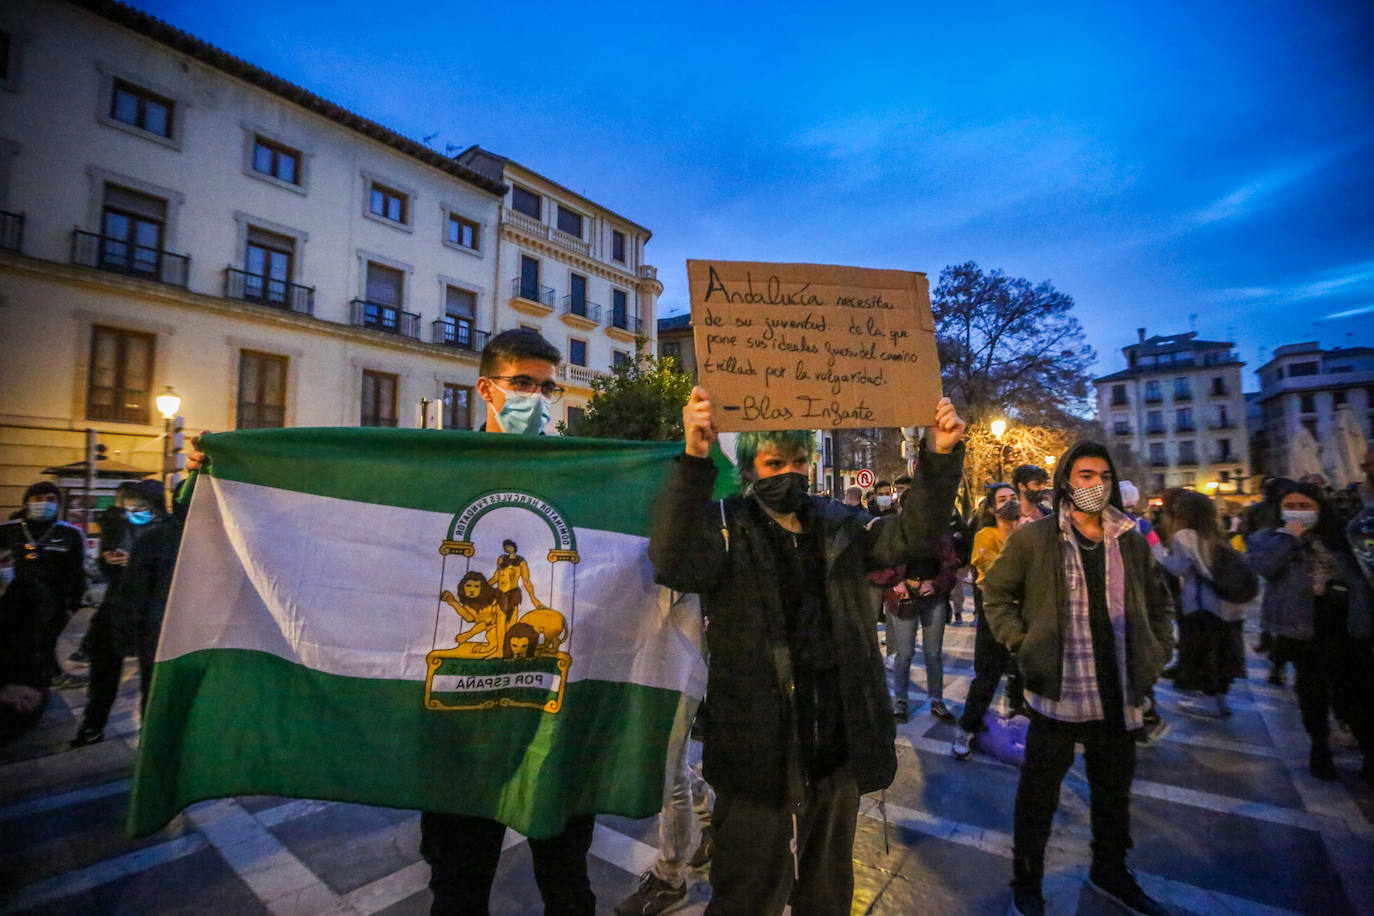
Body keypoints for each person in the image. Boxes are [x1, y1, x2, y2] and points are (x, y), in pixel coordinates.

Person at [187, 329, 596, 915]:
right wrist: (224, 470)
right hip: (459, 735)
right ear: (487, 389)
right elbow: (340, 520)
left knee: (568, 888)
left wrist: (687, 464)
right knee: (457, 891)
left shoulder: (578, 473)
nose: (537, 397)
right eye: (522, 384)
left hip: (550, 727)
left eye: (547, 387)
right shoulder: (437, 468)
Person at [650, 386, 965, 914]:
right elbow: (672, 561)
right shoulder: (726, 526)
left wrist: (939, 456)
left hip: (835, 746)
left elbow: (910, 536)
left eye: (798, 460)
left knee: (826, 891)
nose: (788, 473)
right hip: (756, 751)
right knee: (748, 892)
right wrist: (694, 460)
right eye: (774, 462)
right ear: (750, 469)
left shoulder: (839, 523)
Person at [983, 442, 1174, 916]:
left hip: (1119, 691)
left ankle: (1110, 871)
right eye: (1085, 475)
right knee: (1038, 797)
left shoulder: (1128, 536)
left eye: (1104, 477)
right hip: (1059, 691)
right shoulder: (1035, 538)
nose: (1095, 485)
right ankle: (1027, 879)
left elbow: (1159, 599)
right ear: (1067, 479)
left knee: (1113, 796)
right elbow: (997, 594)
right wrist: (1021, 644)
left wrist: (1159, 649)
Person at [1247, 482, 1373, 782]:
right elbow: (1264, 566)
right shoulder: (1266, 538)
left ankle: (1368, 749)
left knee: (1354, 690)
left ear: (1320, 508)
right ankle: (1320, 749)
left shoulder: (1340, 537)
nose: (1298, 512)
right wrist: (1290, 536)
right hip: (1302, 627)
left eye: (1305, 506)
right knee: (1312, 691)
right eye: (1290, 506)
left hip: (1345, 623)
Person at [72, 480, 169, 747]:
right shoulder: (121, 525)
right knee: (103, 674)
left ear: (156, 505)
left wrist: (137, 564)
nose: (134, 512)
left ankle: (151, 736)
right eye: (129, 508)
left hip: (151, 615)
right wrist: (108, 562)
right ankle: (92, 726)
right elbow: (107, 569)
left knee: (151, 679)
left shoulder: (168, 532)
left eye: (140, 507)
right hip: (115, 610)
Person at [1153, 488, 1247, 719]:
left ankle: (1210, 699)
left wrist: (1157, 551)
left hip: (1203, 605)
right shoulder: (1215, 533)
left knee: (1206, 652)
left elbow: (1178, 568)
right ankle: (1221, 699)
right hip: (1228, 605)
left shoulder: (1185, 536)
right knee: (1224, 650)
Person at [952, 482, 1025, 759]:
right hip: (994, 615)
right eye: (1003, 499)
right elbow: (996, 573)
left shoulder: (1029, 533)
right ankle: (967, 728)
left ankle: (1021, 728)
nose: (1009, 503)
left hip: (1023, 614)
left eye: (1013, 498)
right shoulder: (986, 535)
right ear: (993, 508)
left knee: (1022, 675)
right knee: (987, 675)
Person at [0, 482, 86, 693]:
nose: (44, 504)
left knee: (44, 642)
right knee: (12, 642)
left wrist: (73, 603)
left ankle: (48, 679)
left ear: (58, 504)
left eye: (50, 499)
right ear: (26, 502)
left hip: (53, 601)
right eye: (37, 499)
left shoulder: (70, 534)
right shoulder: (7, 531)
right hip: (11, 599)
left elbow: (76, 571)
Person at [884, 531, 960, 723]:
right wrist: (896, 583)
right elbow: (881, 564)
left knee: (933, 653)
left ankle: (936, 700)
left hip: (933, 596)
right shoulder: (897, 530)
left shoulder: (938, 532)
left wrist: (936, 584)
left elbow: (951, 566)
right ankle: (900, 701)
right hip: (904, 597)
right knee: (904, 653)